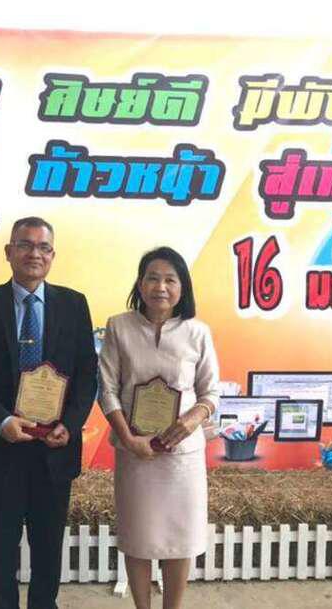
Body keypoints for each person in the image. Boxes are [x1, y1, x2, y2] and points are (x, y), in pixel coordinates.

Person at [0, 217, 98, 609]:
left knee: (48, 552)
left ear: (53, 255)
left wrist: (70, 424)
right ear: (9, 252)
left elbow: (88, 374)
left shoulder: (74, 304)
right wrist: (1, 420)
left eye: (43, 247)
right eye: (25, 245)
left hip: (54, 449)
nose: (35, 253)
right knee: (0, 553)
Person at [98, 247, 219, 609]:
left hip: (183, 456)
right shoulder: (119, 326)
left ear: (183, 287)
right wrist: (128, 438)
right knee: (138, 537)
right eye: (152, 278)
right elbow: (107, 389)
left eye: (170, 279)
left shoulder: (198, 332)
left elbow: (211, 392)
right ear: (140, 284)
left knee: (180, 539)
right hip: (135, 452)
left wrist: (192, 419)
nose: (160, 287)